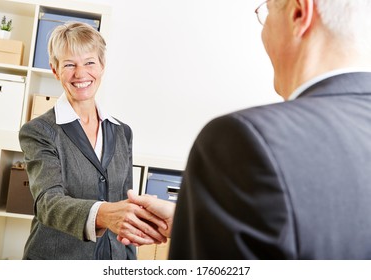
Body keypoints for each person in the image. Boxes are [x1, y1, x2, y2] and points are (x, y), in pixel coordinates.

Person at [127, 0, 371, 259]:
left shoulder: (244, 138)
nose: (263, 32)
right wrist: (203, 223)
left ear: (299, 13)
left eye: (266, 14)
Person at [19, 22, 167, 260]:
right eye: (69, 64)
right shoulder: (39, 131)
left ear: (102, 66)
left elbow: (125, 204)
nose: (80, 74)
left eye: (89, 62)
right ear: (55, 70)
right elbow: (48, 203)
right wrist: (104, 214)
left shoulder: (122, 132)